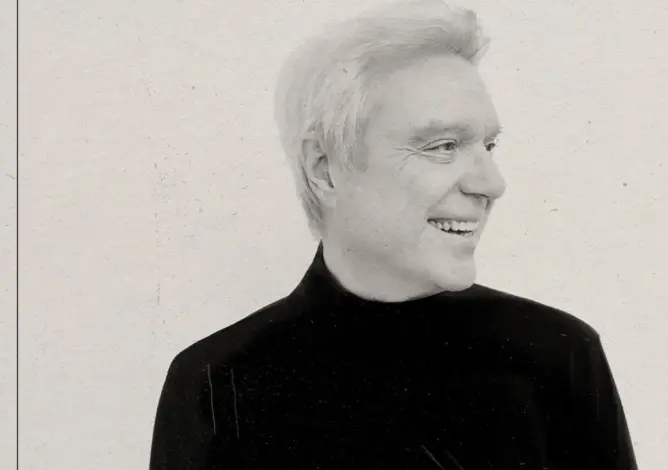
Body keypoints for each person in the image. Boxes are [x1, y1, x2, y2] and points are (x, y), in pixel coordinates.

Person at [149, 1, 638, 468]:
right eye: (443, 146)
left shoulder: (559, 355)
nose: (492, 183)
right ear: (324, 168)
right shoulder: (218, 383)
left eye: (488, 145)